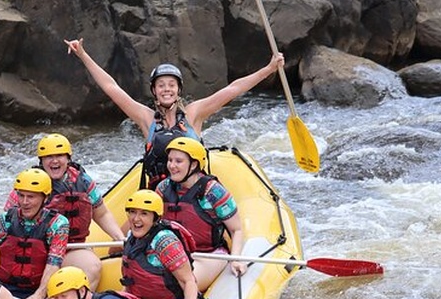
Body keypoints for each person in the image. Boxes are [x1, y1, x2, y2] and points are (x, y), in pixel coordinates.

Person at [64, 37, 284, 188]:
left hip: (192, 193)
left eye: (171, 84)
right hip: (158, 195)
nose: (166, 89)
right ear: (154, 91)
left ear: (179, 89)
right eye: (161, 85)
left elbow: (232, 89)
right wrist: (83, 55)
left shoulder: (194, 114)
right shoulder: (146, 118)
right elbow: (112, 87)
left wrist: (269, 69)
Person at [3, 133, 126, 289]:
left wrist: (120, 238)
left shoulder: (84, 182)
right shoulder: (28, 184)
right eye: (49, 157)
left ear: (68, 159)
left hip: (71, 248)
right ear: (41, 161)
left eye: (60, 156)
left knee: (92, 266)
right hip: (38, 249)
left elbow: (101, 213)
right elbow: (7, 220)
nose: (54, 161)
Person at [120, 189, 212, 299]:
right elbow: (131, 281)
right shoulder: (132, 238)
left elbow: (188, 280)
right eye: (132, 212)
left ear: (155, 218)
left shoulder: (164, 241)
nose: (136, 219)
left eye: (143, 214)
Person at [156, 137, 247, 290]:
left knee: (182, 282)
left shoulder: (213, 192)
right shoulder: (163, 188)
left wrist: (236, 258)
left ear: (194, 164)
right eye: (170, 160)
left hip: (207, 254)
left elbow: (236, 229)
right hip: (173, 252)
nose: (171, 166)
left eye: (178, 161)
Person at [0, 168, 69, 299]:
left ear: (45, 198)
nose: (24, 202)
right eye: (21, 196)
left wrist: (39, 295)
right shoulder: (1, 222)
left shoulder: (58, 224)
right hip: (3, 291)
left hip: (35, 294)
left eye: (31, 197)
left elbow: (54, 263)